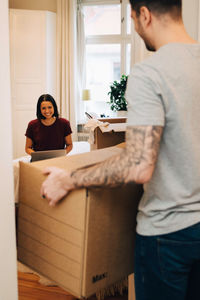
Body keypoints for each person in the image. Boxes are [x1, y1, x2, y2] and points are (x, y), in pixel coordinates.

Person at [41, 1, 200, 299]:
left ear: (145, 14)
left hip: (167, 235)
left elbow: (139, 165)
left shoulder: (149, 72)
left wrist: (69, 178)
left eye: (134, 21)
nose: (137, 29)